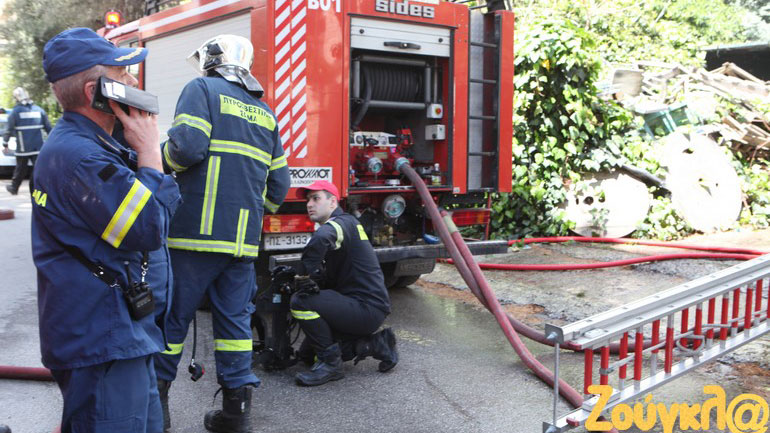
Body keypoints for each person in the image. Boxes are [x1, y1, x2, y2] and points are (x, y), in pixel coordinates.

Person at [32, 28, 181, 432]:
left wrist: (140, 148)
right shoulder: (80, 157)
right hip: (103, 341)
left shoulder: (102, 146)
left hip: (122, 336)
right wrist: (151, 153)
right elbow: (148, 227)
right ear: (95, 90)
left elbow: (163, 209)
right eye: (125, 74)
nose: (135, 83)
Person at [154, 34, 290, 433]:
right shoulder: (265, 113)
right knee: (234, 326)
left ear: (213, 58)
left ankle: (156, 411)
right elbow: (279, 185)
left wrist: (154, 159)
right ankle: (236, 415)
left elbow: (187, 149)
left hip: (193, 237)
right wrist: (247, 212)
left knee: (172, 323)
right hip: (242, 244)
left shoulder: (201, 88)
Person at [285, 180, 398, 387]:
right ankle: (377, 344)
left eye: (316, 198)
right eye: (308, 200)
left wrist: (302, 277)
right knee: (307, 355)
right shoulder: (348, 224)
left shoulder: (339, 224)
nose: (310, 204)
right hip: (365, 307)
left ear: (332, 201)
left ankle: (331, 366)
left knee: (301, 301)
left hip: (365, 308)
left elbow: (321, 239)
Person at [3, 87, 52, 195]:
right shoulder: (39, 110)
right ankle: (38, 189)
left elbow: (9, 129)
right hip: (38, 146)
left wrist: (5, 143)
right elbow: (48, 128)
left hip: (23, 147)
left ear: (16, 98)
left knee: (20, 169)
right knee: (39, 169)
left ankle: (14, 187)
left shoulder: (15, 112)